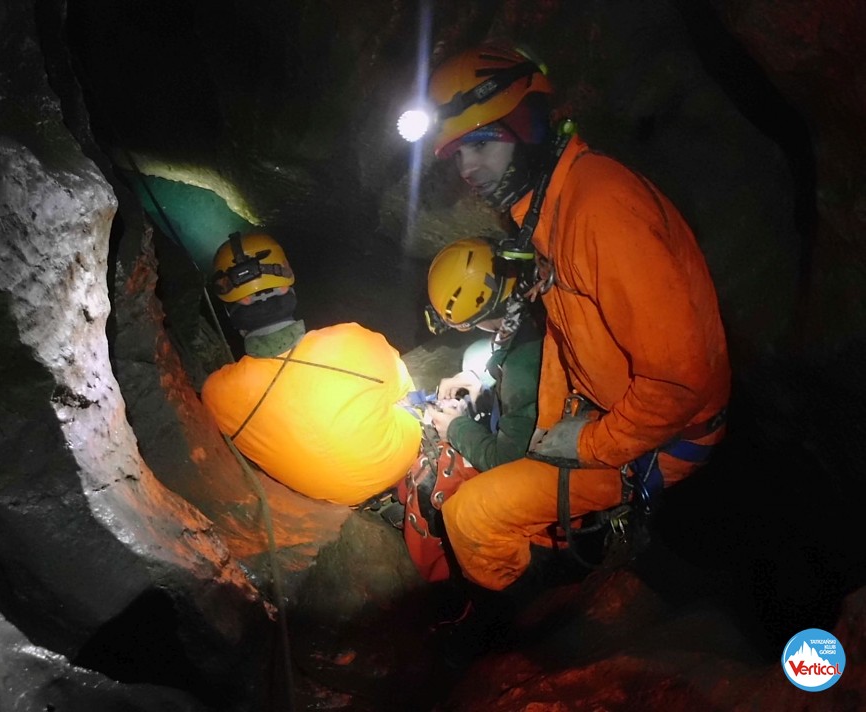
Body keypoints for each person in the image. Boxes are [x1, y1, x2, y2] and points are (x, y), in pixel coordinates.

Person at [420, 43, 731, 597]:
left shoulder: (600, 213)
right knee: (514, 445)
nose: (468, 169)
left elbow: (679, 384)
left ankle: (536, 604)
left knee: (471, 518)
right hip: (609, 402)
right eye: (458, 153)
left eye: (482, 144)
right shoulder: (549, 203)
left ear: (525, 126)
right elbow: (570, 326)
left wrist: (588, 444)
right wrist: (489, 378)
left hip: (660, 437)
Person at [200, 231, 422, 507]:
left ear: (229, 310)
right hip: (400, 458)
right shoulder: (353, 338)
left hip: (336, 499)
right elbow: (405, 390)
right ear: (288, 288)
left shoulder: (216, 393)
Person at [399, 237, 543, 583]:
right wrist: (483, 386)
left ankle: (453, 583)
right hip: (532, 389)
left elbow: (508, 460)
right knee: (477, 358)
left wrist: (456, 429)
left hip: (535, 465)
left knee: (439, 483)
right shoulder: (530, 300)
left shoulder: (522, 368)